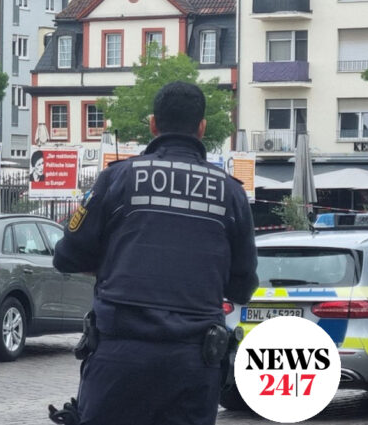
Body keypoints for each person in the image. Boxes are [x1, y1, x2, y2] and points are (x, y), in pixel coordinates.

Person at [53, 82, 258, 425]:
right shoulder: (231, 194)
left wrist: (115, 262)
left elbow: (67, 257)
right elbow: (242, 286)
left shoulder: (117, 179)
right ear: (202, 127)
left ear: (152, 124)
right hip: (193, 364)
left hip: (119, 359)